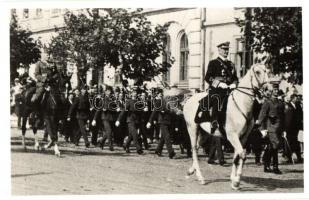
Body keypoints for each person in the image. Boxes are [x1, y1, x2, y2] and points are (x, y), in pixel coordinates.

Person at [195, 41, 238, 136]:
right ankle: (214, 121)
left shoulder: (231, 64)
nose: (226, 52)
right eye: (224, 49)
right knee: (217, 98)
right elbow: (207, 77)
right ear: (219, 50)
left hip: (229, 89)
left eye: (227, 50)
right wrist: (219, 84)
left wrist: (234, 84)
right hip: (217, 90)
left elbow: (235, 78)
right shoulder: (213, 63)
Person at [256, 83, 285, 174]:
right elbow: (262, 115)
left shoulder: (280, 102)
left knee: (272, 147)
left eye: (277, 90)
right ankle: (275, 167)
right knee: (275, 145)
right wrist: (262, 128)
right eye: (274, 90)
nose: (276, 91)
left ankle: (266, 164)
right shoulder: (268, 102)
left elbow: (282, 116)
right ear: (271, 91)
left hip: (279, 127)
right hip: (271, 127)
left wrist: (284, 129)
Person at [147, 89, 176, 159]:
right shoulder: (158, 102)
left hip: (168, 121)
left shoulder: (168, 101)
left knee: (163, 137)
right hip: (162, 121)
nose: (161, 95)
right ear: (157, 95)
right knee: (167, 136)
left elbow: (171, 112)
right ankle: (171, 152)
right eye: (159, 94)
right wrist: (150, 121)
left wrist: (170, 112)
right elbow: (154, 112)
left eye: (161, 94)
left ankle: (158, 150)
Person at [115, 87, 143, 154]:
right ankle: (138, 148)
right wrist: (118, 120)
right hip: (130, 120)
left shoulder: (139, 102)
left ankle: (126, 145)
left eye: (136, 92)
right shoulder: (128, 101)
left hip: (137, 121)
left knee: (131, 135)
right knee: (135, 134)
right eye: (133, 92)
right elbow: (124, 111)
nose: (134, 93)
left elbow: (140, 113)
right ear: (131, 94)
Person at [92, 86, 115, 151]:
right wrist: (94, 119)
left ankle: (101, 142)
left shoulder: (113, 99)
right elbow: (98, 109)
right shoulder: (102, 99)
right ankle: (111, 146)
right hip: (104, 117)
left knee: (108, 132)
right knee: (109, 131)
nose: (108, 92)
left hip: (111, 118)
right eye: (107, 91)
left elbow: (115, 108)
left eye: (109, 91)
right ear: (105, 92)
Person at [284, 94, 303, 163]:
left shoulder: (298, 105)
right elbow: (287, 118)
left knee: (296, 142)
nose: (296, 99)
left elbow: (301, 115)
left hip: (296, 127)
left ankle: (299, 157)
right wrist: (285, 128)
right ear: (292, 99)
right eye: (295, 98)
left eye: (297, 98)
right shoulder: (287, 105)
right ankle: (289, 158)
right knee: (289, 142)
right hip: (289, 127)